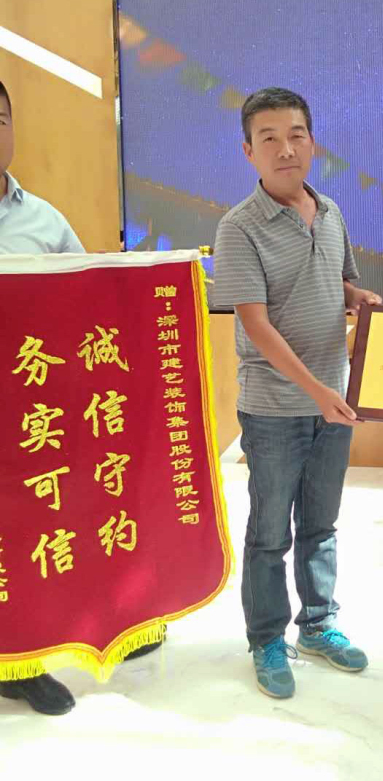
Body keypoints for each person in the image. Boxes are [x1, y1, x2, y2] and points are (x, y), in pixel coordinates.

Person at [214, 87, 382, 699]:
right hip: (274, 409)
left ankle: (317, 625)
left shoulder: (331, 211)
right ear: (249, 151)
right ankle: (266, 638)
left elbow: (339, 282)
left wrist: (357, 298)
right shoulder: (238, 227)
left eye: (296, 135)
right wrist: (314, 390)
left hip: (332, 402)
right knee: (269, 533)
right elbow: (256, 323)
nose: (286, 149)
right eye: (270, 139)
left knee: (321, 523)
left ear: (312, 142)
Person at [0, 80, 161, 716]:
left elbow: (93, 298)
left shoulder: (44, 220)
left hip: (33, 416)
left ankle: (29, 654)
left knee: (38, 529)